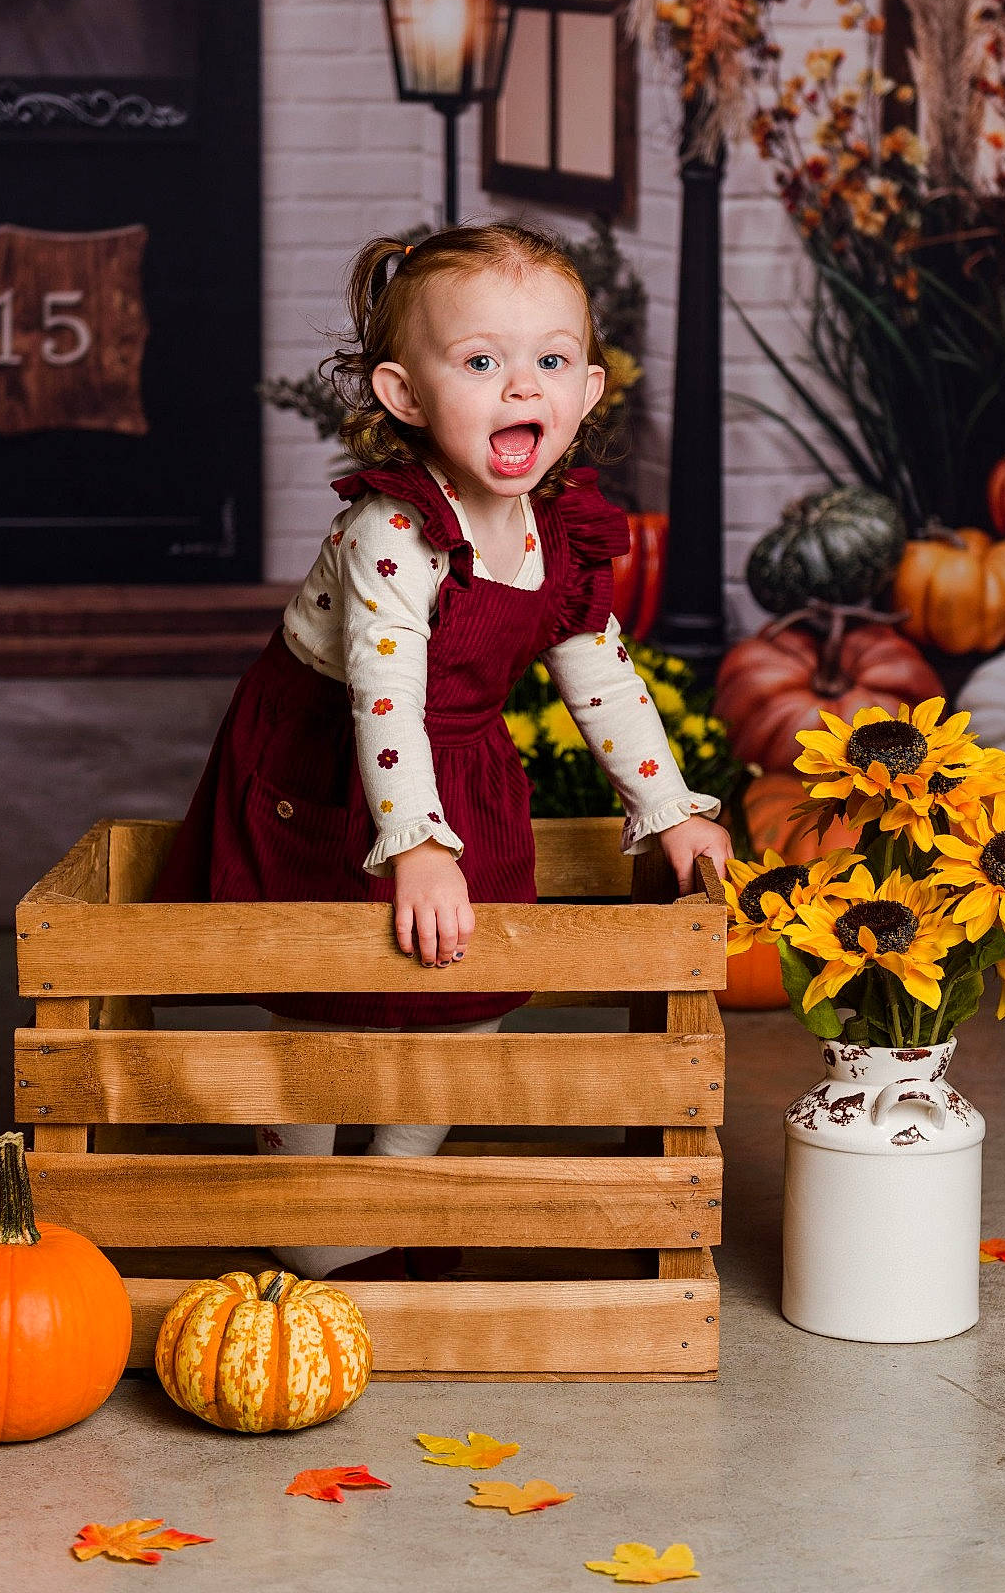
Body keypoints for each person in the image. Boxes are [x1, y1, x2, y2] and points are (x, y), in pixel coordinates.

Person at [155, 222, 733, 1278]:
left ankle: (399, 1189)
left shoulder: (559, 533)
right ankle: (314, 1225)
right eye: (480, 361)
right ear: (403, 394)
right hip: (333, 763)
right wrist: (417, 840)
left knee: (468, 994)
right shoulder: (394, 530)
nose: (521, 385)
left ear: (588, 388)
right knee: (328, 999)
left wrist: (669, 806)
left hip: (457, 761)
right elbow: (382, 694)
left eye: (549, 361)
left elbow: (599, 674)